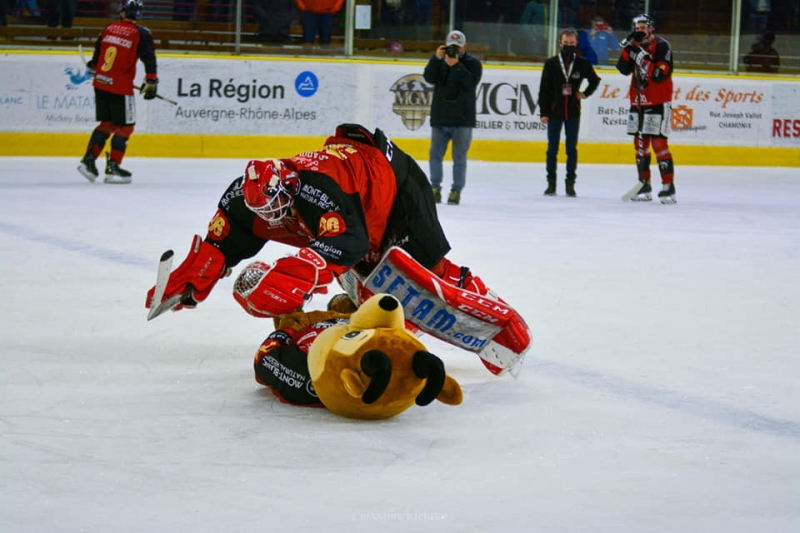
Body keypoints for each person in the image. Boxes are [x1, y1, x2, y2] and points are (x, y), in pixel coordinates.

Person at [145, 123, 530, 374]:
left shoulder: (315, 190)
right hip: (360, 197)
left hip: (396, 184)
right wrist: (195, 277)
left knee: (431, 267)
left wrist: (302, 269)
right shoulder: (244, 195)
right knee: (368, 274)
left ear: (287, 188)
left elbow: (350, 242)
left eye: (277, 206)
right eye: (263, 211)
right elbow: (220, 239)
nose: (273, 216)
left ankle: (495, 314)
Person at [77, 0, 158, 185]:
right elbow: (149, 59)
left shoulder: (108, 28)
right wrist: (152, 80)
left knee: (106, 124)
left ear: (123, 13)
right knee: (125, 127)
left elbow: (97, 56)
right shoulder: (142, 33)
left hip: (101, 82)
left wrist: (93, 67)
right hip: (120, 87)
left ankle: (88, 161)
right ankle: (113, 167)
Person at [616, 13, 676, 204]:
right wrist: (629, 50)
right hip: (638, 102)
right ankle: (644, 184)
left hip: (658, 101)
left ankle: (668, 186)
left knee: (659, 144)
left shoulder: (662, 45)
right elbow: (623, 69)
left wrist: (639, 55)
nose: (640, 30)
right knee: (640, 145)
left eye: (643, 27)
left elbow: (659, 74)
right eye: (637, 27)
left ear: (651, 28)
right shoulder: (634, 46)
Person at [537, 29, 600, 197]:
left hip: (573, 113)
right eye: (566, 44)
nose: (569, 46)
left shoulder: (582, 63)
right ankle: (551, 183)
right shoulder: (551, 64)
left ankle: (570, 184)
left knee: (571, 149)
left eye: (572, 44)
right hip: (554, 113)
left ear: (576, 44)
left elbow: (595, 80)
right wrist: (544, 112)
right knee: (552, 149)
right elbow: (544, 90)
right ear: (560, 43)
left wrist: (585, 93)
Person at [423, 30, 482, 206]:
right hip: (440, 117)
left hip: (462, 120)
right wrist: (435, 59)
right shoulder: (439, 62)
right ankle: (435, 188)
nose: (453, 50)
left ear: (465, 46)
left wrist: (456, 66)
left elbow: (470, 84)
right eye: (450, 47)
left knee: (459, 157)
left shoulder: (473, 63)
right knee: (435, 155)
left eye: (457, 47)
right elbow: (428, 78)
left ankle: (456, 191)